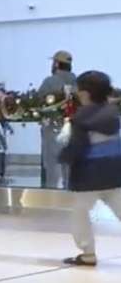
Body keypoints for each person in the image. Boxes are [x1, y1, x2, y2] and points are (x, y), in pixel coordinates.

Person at [59, 71, 121, 267]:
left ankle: (88, 253)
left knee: (80, 212)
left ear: (85, 93)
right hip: (114, 173)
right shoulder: (113, 114)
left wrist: (64, 157)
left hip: (88, 175)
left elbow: (77, 147)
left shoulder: (81, 118)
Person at [39, 51, 77, 188]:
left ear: (56, 63)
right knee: (70, 166)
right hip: (73, 129)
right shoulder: (77, 83)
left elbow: (38, 102)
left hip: (53, 129)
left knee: (52, 167)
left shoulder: (49, 82)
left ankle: (52, 197)